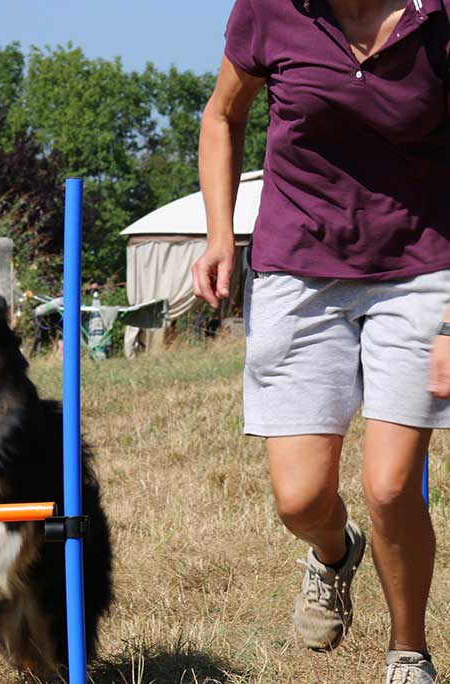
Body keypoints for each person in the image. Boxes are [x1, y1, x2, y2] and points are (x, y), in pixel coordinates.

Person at [192, 2, 450, 680]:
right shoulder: (269, 12)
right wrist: (222, 234)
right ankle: (335, 553)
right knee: (301, 500)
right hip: (297, 271)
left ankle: (407, 652)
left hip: (422, 267)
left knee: (392, 486)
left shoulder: (440, 18)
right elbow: (222, 115)